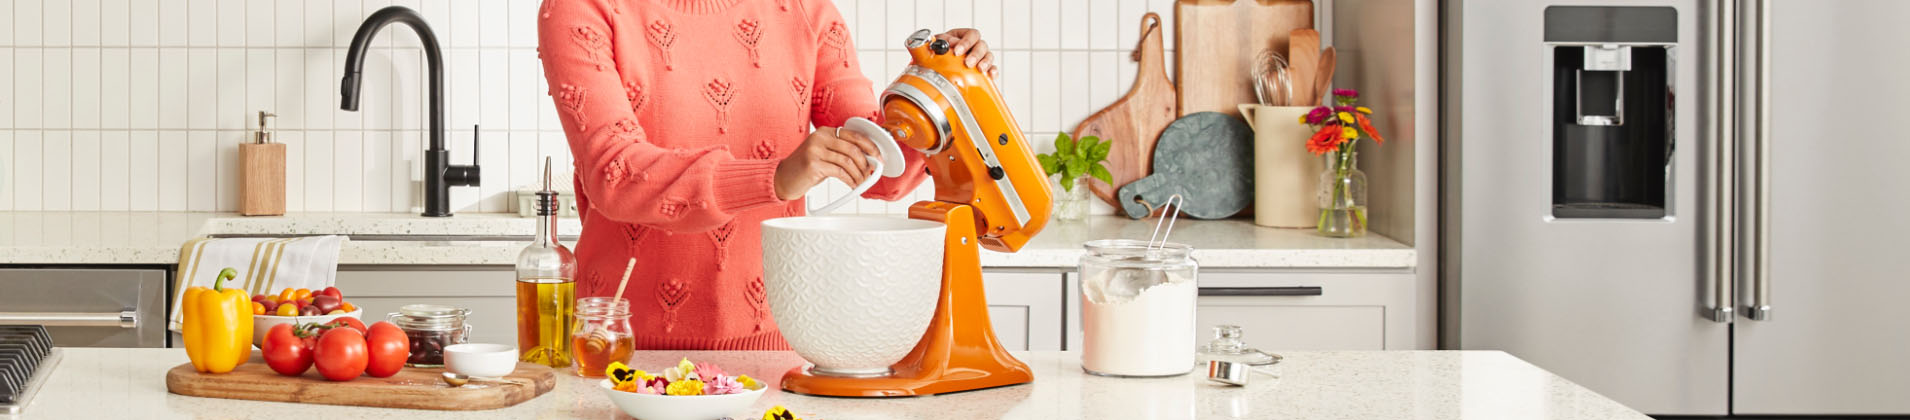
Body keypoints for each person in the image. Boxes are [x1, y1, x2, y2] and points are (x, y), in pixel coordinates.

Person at [538, 0, 997, 350]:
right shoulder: (580, 8)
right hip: (620, 349)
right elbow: (614, 173)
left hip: (775, 350)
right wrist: (775, 177)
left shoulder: (802, 9)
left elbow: (882, 173)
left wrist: (942, 90)